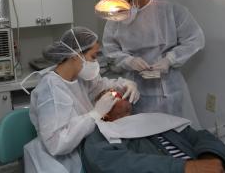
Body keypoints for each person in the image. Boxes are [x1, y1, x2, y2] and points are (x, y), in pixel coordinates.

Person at [23, 27, 140, 173]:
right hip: (63, 161)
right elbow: (56, 143)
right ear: (75, 55)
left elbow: (102, 84)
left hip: (85, 146)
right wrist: (94, 115)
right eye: (93, 56)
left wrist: (125, 84)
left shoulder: (80, 77)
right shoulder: (51, 90)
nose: (96, 62)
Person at [102, 0, 205, 116]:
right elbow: (110, 49)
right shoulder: (116, 17)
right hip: (135, 89)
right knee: (142, 133)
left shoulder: (169, 11)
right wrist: (128, 61)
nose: (122, 9)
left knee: (173, 133)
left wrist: (170, 60)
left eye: (124, 3)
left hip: (168, 89)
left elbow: (194, 39)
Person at [82, 89, 225, 173]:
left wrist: (210, 158)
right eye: (114, 94)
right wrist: (185, 168)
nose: (122, 93)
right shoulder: (100, 136)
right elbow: (118, 165)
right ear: (103, 109)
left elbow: (200, 137)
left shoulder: (154, 120)